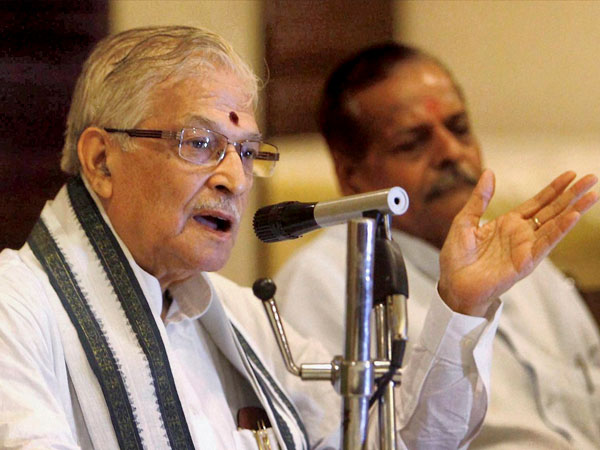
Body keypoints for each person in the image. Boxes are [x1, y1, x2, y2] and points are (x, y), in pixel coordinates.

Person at [0, 27, 594, 450]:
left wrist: (461, 303)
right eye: (200, 144)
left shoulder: (239, 317)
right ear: (101, 161)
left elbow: (393, 442)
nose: (235, 179)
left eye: (246, 152)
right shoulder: (17, 308)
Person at [275, 42, 600, 449]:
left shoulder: (521, 252)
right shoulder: (325, 282)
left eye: (459, 128)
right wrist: (459, 307)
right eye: (413, 142)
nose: (451, 151)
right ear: (351, 176)